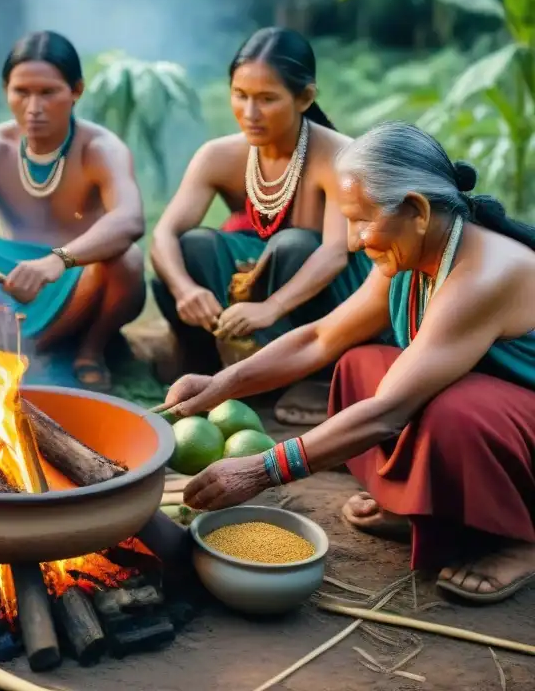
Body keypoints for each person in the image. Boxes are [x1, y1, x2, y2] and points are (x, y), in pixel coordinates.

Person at [161, 121, 535, 604]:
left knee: (450, 411)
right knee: (361, 364)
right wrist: (220, 384)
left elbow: (388, 413)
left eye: (363, 220)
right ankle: (420, 504)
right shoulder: (415, 251)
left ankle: (523, 540)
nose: (354, 240)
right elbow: (321, 337)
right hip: (500, 410)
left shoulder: (484, 274)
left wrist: (261, 469)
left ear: (417, 210)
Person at [0, 30, 145, 391]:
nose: (33, 107)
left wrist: (58, 260)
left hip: (75, 278)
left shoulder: (101, 148)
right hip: (7, 280)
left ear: (76, 91)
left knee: (127, 259)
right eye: (21, 92)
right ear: (6, 90)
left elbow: (130, 219)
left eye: (48, 92)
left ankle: (89, 351)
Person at [151, 28, 371, 375]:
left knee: (295, 245)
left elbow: (334, 254)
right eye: (240, 95)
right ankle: (209, 359)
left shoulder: (339, 155)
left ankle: (311, 374)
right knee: (191, 246)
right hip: (260, 280)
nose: (250, 112)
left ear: (305, 98)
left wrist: (272, 307)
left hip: (326, 298)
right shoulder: (218, 156)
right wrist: (186, 290)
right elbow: (164, 234)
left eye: (267, 99)